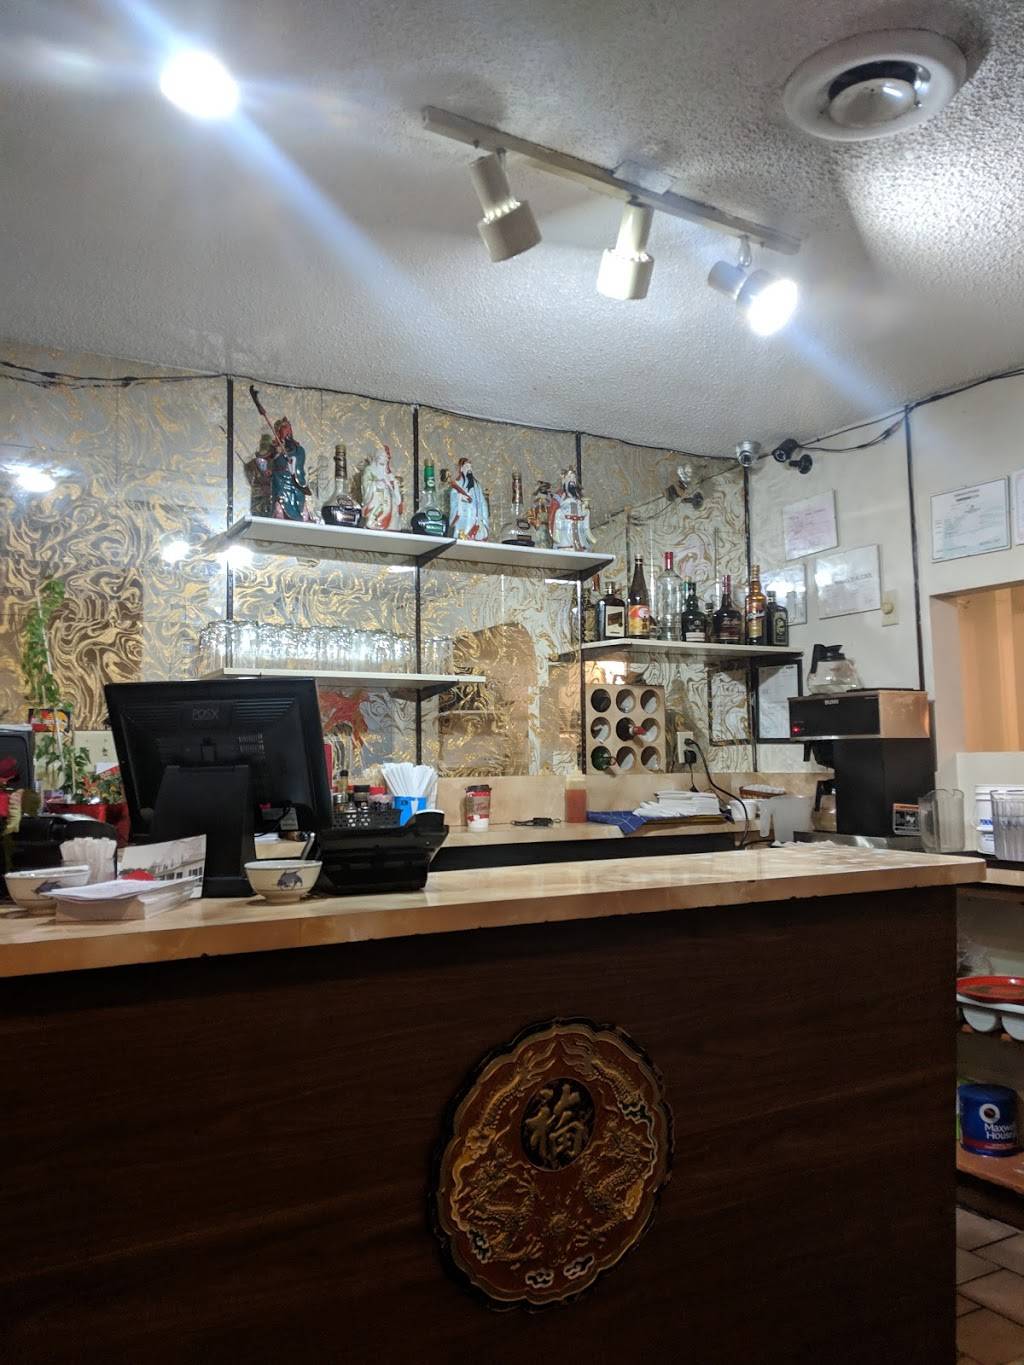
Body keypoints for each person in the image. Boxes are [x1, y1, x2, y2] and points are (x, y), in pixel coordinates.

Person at [270, 416, 314, 522]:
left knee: (301, 503)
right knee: (280, 505)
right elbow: (270, 460)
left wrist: (293, 461)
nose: (288, 432)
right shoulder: (276, 449)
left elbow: (299, 461)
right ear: (279, 432)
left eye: (289, 429)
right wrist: (277, 453)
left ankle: (302, 518)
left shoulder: (298, 449)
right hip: (281, 481)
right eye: (285, 429)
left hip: (296, 481)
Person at [360, 443, 404, 530]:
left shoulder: (389, 475)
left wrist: (394, 485)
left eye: (385, 457)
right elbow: (366, 484)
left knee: (391, 507)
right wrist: (376, 484)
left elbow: (395, 491)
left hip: (389, 501)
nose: (383, 459)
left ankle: (390, 524)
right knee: (378, 506)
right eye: (381, 456)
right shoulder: (370, 470)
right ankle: (374, 521)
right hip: (377, 498)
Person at [550, 468, 593, 550]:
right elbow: (555, 508)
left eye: (574, 478)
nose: (572, 480)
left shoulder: (579, 496)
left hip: (578, 526)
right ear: (564, 480)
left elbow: (583, 511)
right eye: (570, 477)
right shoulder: (560, 495)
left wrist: (585, 510)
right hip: (565, 526)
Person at [447, 457, 490, 540]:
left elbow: (483, 504)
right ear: (461, 469)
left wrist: (485, 523)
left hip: (477, 522)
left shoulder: (477, 486)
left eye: (470, 467)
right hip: (463, 520)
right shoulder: (457, 484)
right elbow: (453, 498)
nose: (469, 469)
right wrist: (460, 497)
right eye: (466, 466)